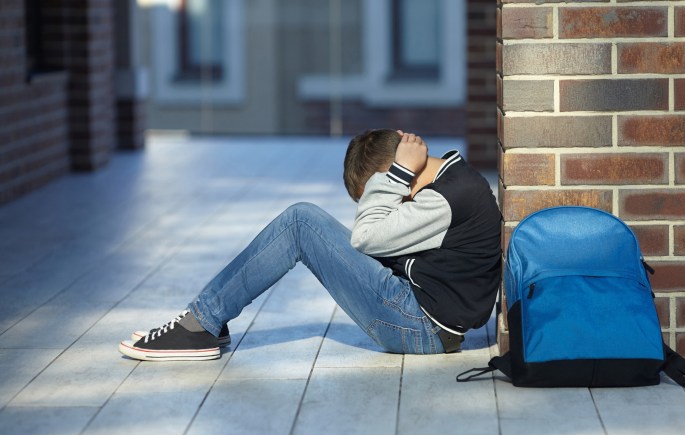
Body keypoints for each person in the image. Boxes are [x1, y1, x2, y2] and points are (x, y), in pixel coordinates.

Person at [118, 129, 501, 361]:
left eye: (383, 191)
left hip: (420, 327)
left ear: (397, 174)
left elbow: (365, 237)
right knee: (307, 222)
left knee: (301, 221)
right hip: (424, 318)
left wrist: (397, 173)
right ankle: (209, 320)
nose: (387, 199)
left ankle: (200, 324)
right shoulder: (454, 184)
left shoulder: (444, 199)